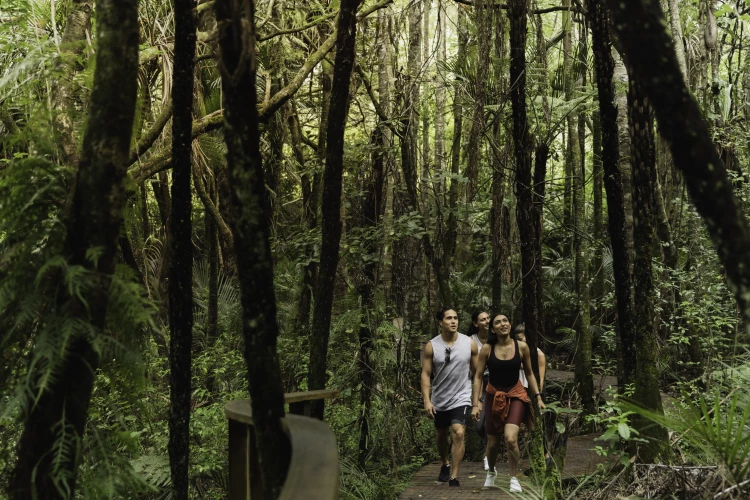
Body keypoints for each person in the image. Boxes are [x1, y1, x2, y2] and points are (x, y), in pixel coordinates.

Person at [472, 313, 545, 493]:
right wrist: (476, 403)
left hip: (516, 394)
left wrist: (537, 396)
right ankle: (491, 472)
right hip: (493, 395)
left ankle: (513, 477)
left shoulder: (522, 347)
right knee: (493, 442)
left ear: (510, 325)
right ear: (493, 329)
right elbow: (478, 376)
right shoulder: (487, 349)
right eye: (498, 322)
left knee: (511, 438)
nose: (502, 324)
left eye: (505, 321)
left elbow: (529, 373)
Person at [421, 307, 479, 487]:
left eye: (456, 318)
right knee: (441, 434)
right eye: (449, 318)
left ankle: (454, 476)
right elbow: (425, 373)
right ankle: (445, 463)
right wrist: (427, 400)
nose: (453, 321)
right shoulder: (432, 345)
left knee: (459, 432)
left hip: (461, 396)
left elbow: (477, 374)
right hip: (439, 398)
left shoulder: (469, 343)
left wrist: (476, 402)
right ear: (441, 322)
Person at [467, 310, 492, 471]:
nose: (487, 321)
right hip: (478, 381)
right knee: (479, 425)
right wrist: (478, 400)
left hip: (496, 382)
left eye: (488, 318)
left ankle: (489, 455)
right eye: (483, 319)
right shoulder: (471, 341)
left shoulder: (496, 338)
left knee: (491, 421)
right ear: (476, 324)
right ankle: (491, 445)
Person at [515, 324, 546, 392]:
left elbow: (541, 378)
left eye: (520, 339)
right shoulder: (515, 352)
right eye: (517, 339)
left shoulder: (539, 354)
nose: (518, 342)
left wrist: (538, 394)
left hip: (529, 388)